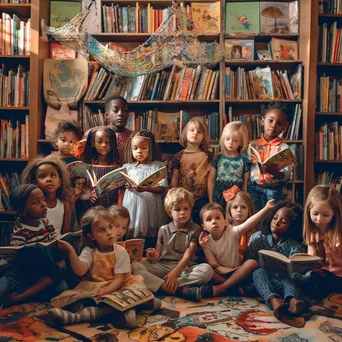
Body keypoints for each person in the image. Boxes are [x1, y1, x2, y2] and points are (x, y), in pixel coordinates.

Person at [47, 206, 161, 327]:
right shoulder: (89, 251)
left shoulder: (120, 251)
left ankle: (85, 315)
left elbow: (119, 279)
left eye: (111, 227)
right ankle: (116, 313)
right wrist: (70, 251)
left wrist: (106, 291)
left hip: (118, 286)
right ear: (91, 235)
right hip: (97, 287)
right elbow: (80, 271)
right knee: (71, 297)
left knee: (141, 296)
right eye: (102, 230)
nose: (109, 232)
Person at [133, 188, 214, 302]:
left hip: (185, 268)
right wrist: (153, 255)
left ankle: (162, 286)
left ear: (191, 210)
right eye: (177, 209)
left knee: (207, 270)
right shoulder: (163, 229)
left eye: (186, 209)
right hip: (164, 266)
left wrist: (175, 274)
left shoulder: (195, 229)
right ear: (169, 212)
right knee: (135, 267)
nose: (182, 212)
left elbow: (188, 254)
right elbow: (158, 253)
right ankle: (175, 289)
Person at [0, 184, 65, 306]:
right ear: (22, 211)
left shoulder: (46, 223)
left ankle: (25, 296)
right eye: (36, 202)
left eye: (43, 199)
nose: (43, 204)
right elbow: (14, 258)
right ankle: (23, 296)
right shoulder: (20, 233)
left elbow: (54, 243)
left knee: (62, 287)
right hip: (28, 273)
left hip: (47, 268)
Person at [244, 201, 306, 322]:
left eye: (283, 222)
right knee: (258, 273)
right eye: (275, 218)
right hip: (263, 282)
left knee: (288, 279)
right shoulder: (258, 237)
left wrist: (295, 272)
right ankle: (274, 301)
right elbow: (247, 260)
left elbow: (299, 275)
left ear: (292, 226)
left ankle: (292, 301)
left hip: (283, 283)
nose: (276, 223)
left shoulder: (295, 246)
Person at [198, 199, 274, 298]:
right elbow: (214, 264)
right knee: (207, 270)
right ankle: (234, 287)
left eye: (217, 218)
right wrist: (205, 248)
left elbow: (249, 223)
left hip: (237, 272)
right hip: (221, 274)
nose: (214, 222)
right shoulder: (207, 241)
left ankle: (220, 289)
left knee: (251, 263)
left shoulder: (232, 231)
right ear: (204, 227)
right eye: (209, 219)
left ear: (225, 221)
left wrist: (266, 208)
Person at [295, 185, 342, 299]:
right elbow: (311, 258)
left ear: (334, 213)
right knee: (302, 278)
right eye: (315, 214)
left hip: (339, 277)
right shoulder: (313, 233)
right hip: (323, 275)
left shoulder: (339, 233)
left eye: (325, 215)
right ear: (308, 211)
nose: (319, 219)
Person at [122, 130, 167, 247]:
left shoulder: (157, 166)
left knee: (149, 231)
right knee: (133, 229)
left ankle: (149, 252)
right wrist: (126, 185)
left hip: (149, 203)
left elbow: (162, 188)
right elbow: (123, 184)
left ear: (151, 148)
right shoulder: (127, 167)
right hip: (132, 203)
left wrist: (148, 188)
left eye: (143, 148)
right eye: (135, 148)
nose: (139, 151)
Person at [247, 103, 291, 212]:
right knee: (254, 214)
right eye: (270, 121)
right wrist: (249, 161)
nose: (274, 125)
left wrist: (276, 172)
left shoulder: (283, 148)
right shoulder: (253, 144)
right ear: (262, 121)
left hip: (274, 189)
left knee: (271, 215)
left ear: (284, 127)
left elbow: (286, 175)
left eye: (279, 123)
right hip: (254, 187)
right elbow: (246, 168)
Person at [171, 118, 212, 224]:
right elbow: (175, 177)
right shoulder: (179, 156)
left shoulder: (208, 156)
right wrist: (172, 194)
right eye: (192, 130)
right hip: (183, 199)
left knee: (201, 224)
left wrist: (211, 199)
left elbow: (211, 178)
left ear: (203, 137)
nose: (195, 133)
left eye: (199, 132)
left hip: (203, 197)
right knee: (184, 224)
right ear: (185, 133)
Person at [21, 156, 72, 238]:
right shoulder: (34, 206)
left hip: (58, 245)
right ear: (35, 183)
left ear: (60, 182)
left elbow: (66, 231)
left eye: (53, 175)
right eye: (42, 176)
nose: (49, 179)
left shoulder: (65, 205)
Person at [208, 121, 250, 208]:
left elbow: (245, 185)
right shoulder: (218, 158)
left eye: (235, 140)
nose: (230, 142)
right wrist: (211, 201)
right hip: (218, 197)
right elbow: (211, 181)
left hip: (236, 199)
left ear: (241, 142)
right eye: (227, 139)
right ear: (223, 139)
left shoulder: (244, 160)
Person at [81, 126, 124, 208]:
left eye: (108, 142)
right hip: (91, 209)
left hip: (112, 209)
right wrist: (87, 195)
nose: (104, 145)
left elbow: (120, 192)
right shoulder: (87, 166)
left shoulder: (117, 166)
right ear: (93, 143)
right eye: (100, 142)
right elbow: (81, 189)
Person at [83, 96, 132, 164]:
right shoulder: (92, 134)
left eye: (125, 110)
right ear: (106, 115)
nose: (120, 114)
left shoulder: (133, 137)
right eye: (115, 110)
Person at [225, 190, 255, 258]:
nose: (239, 210)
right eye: (235, 207)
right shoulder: (224, 229)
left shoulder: (254, 234)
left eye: (243, 207)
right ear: (229, 210)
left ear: (249, 210)